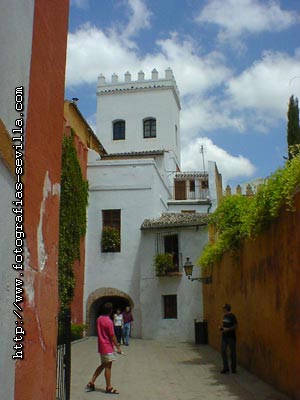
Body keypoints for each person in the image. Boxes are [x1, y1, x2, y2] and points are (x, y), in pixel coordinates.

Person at [86, 302, 122, 394]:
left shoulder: (99, 319)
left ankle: (92, 381)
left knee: (103, 365)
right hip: (107, 346)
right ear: (110, 311)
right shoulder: (108, 321)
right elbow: (112, 335)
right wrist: (118, 347)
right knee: (108, 367)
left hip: (101, 345)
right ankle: (109, 387)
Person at [219, 303, 238, 374]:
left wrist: (228, 329)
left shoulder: (232, 316)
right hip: (224, 337)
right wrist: (222, 328)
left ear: (226, 309)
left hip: (231, 337)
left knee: (232, 352)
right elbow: (225, 325)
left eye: (223, 308)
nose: (222, 309)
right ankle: (225, 367)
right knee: (223, 351)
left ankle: (233, 368)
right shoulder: (224, 316)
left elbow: (236, 326)